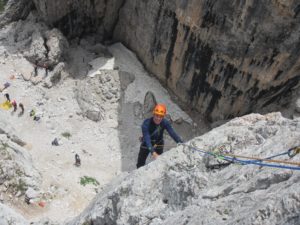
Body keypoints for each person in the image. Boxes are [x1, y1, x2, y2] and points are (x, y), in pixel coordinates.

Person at [137, 104, 183, 168]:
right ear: (153, 114)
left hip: (159, 143)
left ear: (163, 116)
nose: (158, 118)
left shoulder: (165, 122)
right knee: (140, 163)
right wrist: (153, 152)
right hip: (146, 144)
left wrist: (180, 142)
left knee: (159, 160)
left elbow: (172, 133)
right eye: (157, 115)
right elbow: (147, 139)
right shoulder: (146, 124)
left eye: (161, 116)